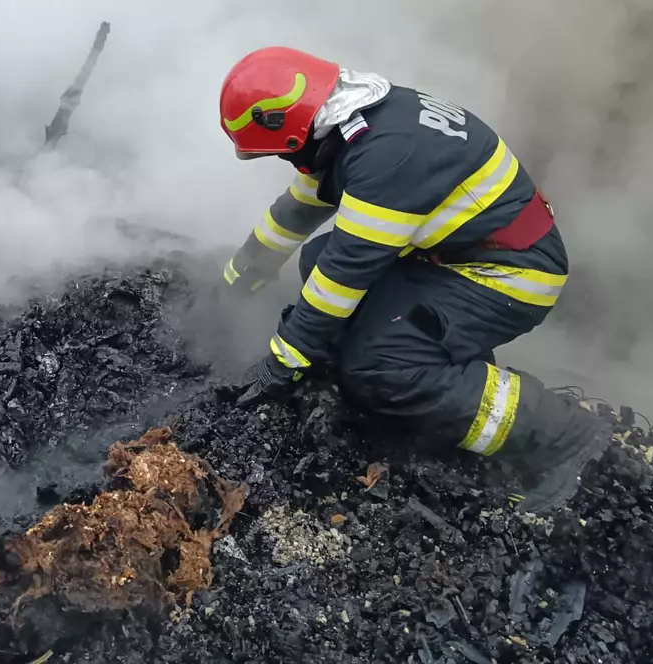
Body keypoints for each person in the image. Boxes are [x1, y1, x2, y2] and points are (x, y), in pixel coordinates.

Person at [218, 46, 611, 514]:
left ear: (290, 132)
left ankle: (564, 436)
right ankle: (421, 364)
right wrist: (242, 273)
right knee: (317, 260)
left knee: (377, 366)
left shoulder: (388, 158)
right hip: (453, 257)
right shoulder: (356, 123)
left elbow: (348, 271)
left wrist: (283, 361)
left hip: (509, 277)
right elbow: (299, 209)